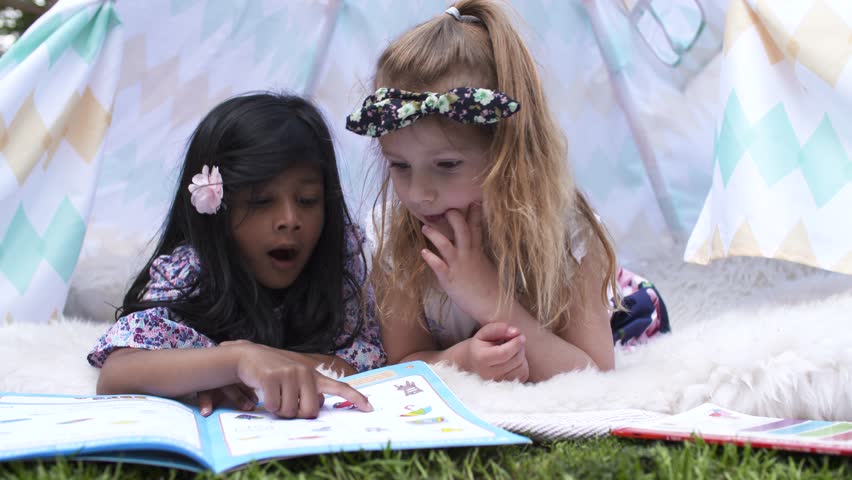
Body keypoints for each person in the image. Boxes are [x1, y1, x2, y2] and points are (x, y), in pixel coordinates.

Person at [346, 1, 669, 383]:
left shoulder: (570, 234)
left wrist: (489, 299)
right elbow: (402, 362)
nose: (420, 194)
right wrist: (463, 359)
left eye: (447, 165)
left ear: (507, 153)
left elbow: (594, 374)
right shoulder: (394, 236)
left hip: (615, 315)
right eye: (400, 166)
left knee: (632, 315)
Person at [88, 92, 386, 418]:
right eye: (260, 202)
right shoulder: (192, 270)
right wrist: (233, 362)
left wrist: (260, 359)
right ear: (216, 209)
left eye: (307, 200)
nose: (290, 219)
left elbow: (360, 361)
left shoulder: (335, 264)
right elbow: (118, 372)